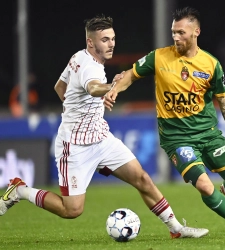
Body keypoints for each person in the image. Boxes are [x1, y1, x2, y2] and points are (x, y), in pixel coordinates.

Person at [0, 14, 209, 239]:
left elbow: (59, 87)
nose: (111, 44)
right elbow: (92, 88)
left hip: (100, 138)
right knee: (72, 210)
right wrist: (112, 87)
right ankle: (20, 190)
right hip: (75, 146)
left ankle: (176, 229)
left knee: (142, 179)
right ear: (91, 42)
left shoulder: (76, 57)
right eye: (105, 40)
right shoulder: (91, 67)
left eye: (112, 38)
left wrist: (77, 109)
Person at [104, 7, 225, 239]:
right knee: (205, 186)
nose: (175, 37)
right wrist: (115, 89)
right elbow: (130, 75)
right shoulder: (159, 57)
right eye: (173, 32)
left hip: (208, 133)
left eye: (181, 32)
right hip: (177, 138)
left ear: (196, 32)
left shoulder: (211, 64)